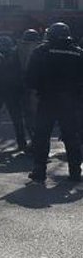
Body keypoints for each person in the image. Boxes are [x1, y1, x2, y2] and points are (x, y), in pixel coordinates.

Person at [26, 23, 83, 183]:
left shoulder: (41, 51)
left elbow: (30, 78)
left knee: (42, 136)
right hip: (70, 102)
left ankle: (39, 170)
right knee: (72, 137)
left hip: (47, 100)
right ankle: (75, 172)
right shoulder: (78, 53)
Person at [0, 36, 28, 151]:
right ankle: (22, 143)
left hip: (3, 91)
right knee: (17, 120)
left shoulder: (0, 56)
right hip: (11, 91)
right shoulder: (15, 56)